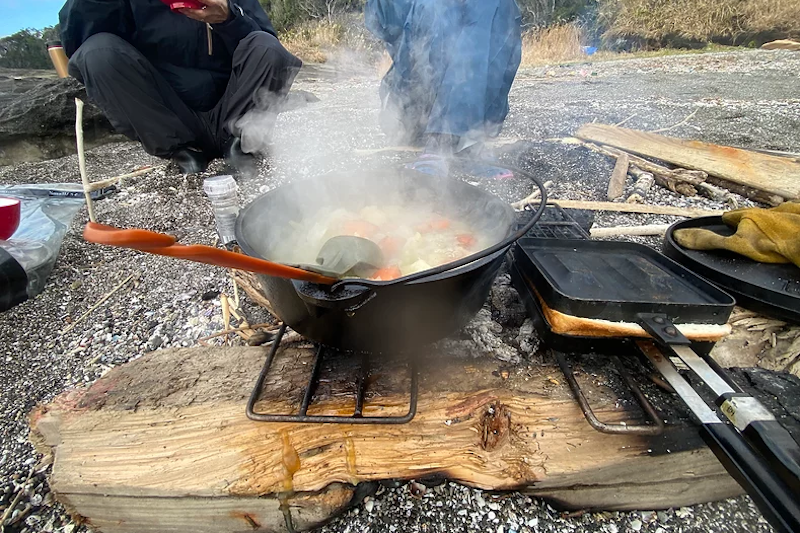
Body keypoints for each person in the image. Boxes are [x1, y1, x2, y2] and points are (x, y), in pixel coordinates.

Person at [59, 0, 302, 175]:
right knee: (98, 52)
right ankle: (183, 150)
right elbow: (80, 43)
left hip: (235, 108)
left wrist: (230, 18)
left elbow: (267, 46)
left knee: (266, 45)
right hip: (172, 115)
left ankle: (241, 143)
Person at [365, 0, 522, 178]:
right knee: (436, 7)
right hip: (414, 109)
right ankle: (441, 140)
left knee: (496, 4)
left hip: (475, 119)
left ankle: (465, 136)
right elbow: (385, 16)